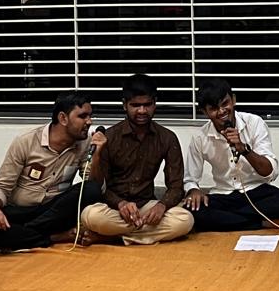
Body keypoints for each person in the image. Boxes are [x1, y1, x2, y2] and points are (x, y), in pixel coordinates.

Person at [0, 91, 108, 251]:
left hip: (55, 212)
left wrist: (97, 155)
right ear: (63, 118)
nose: (89, 122)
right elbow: (1, 186)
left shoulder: (86, 142)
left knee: (91, 189)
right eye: (82, 116)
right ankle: (53, 237)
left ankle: (24, 232)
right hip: (22, 210)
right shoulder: (26, 141)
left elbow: (96, 187)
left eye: (90, 116)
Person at [79, 74, 193, 245]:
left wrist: (161, 206)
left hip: (147, 206)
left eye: (147, 105)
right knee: (90, 216)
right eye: (135, 105)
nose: (142, 111)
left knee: (185, 220)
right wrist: (120, 203)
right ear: (124, 105)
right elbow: (100, 187)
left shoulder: (167, 138)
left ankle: (113, 238)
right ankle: (139, 235)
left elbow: (176, 186)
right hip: (115, 209)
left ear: (155, 103)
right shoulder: (109, 137)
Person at [182, 78, 279, 230]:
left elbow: (269, 172)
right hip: (223, 195)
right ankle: (262, 222)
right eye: (214, 108)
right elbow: (190, 179)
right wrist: (193, 190)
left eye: (225, 104)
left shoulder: (254, 123)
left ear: (233, 100)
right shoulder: (200, 137)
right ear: (204, 112)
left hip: (257, 191)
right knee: (190, 210)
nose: (222, 112)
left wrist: (244, 150)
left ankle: (232, 220)